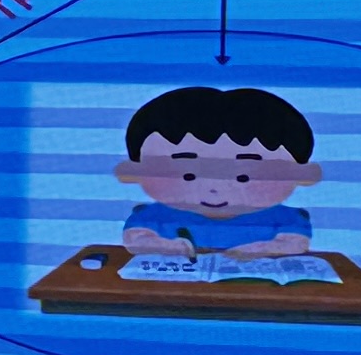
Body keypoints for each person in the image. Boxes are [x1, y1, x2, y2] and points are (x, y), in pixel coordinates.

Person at [110, 84, 325, 269]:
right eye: (188, 175)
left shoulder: (284, 217)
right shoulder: (154, 215)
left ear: (304, 174)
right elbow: (135, 238)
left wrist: (259, 250)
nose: (214, 188)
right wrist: (169, 247)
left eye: (243, 177)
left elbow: (295, 242)